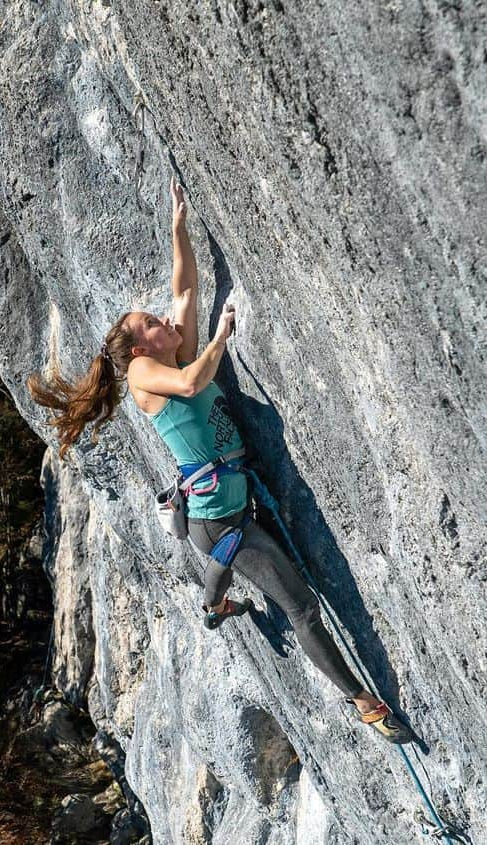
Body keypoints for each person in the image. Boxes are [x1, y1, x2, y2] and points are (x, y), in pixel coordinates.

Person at [27, 178, 411, 743]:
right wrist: (222, 337)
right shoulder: (142, 375)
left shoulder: (164, 348)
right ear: (140, 349)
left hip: (227, 506)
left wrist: (177, 229)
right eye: (151, 324)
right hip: (220, 523)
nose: (163, 319)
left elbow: (186, 290)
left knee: (273, 592)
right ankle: (364, 706)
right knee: (303, 608)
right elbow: (190, 379)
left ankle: (214, 602)